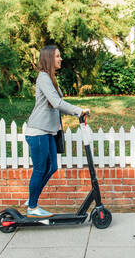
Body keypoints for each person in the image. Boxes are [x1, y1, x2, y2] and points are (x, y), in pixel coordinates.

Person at [24, 45, 90, 218]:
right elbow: (57, 103)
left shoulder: (50, 78)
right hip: (38, 131)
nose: (61, 59)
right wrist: (79, 110)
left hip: (49, 132)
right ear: (49, 58)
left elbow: (57, 105)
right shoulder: (43, 77)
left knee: (52, 166)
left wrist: (77, 111)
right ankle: (32, 207)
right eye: (58, 56)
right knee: (40, 169)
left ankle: (32, 197)